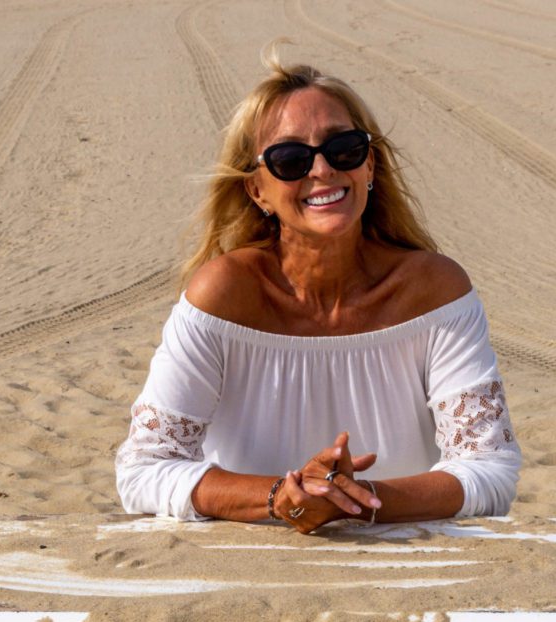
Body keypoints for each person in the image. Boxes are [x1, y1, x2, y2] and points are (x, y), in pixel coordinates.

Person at [115, 48, 520, 534]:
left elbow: (490, 468)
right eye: (290, 159)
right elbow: (143, 469)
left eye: (343, 148)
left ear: (369, 165)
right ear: (257, 190)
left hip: (409, 574)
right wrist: (281, 498)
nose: (322, 170)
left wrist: (359, 499)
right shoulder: (222, 293)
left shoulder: (435, 291)